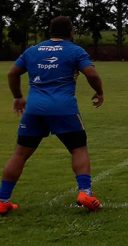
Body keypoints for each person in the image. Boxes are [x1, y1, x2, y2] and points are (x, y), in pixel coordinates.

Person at [0, 16, 104, 215]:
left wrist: (18, 97)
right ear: (71, 31)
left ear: (50, 32)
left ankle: (3, 200)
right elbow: (91, 74)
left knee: (20, 154)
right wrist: (99, 92)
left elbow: (12, 73)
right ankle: (85, 192)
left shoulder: (33, 50)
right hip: (63, 109)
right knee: (78, 149)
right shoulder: (75, 50)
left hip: (34, 109)